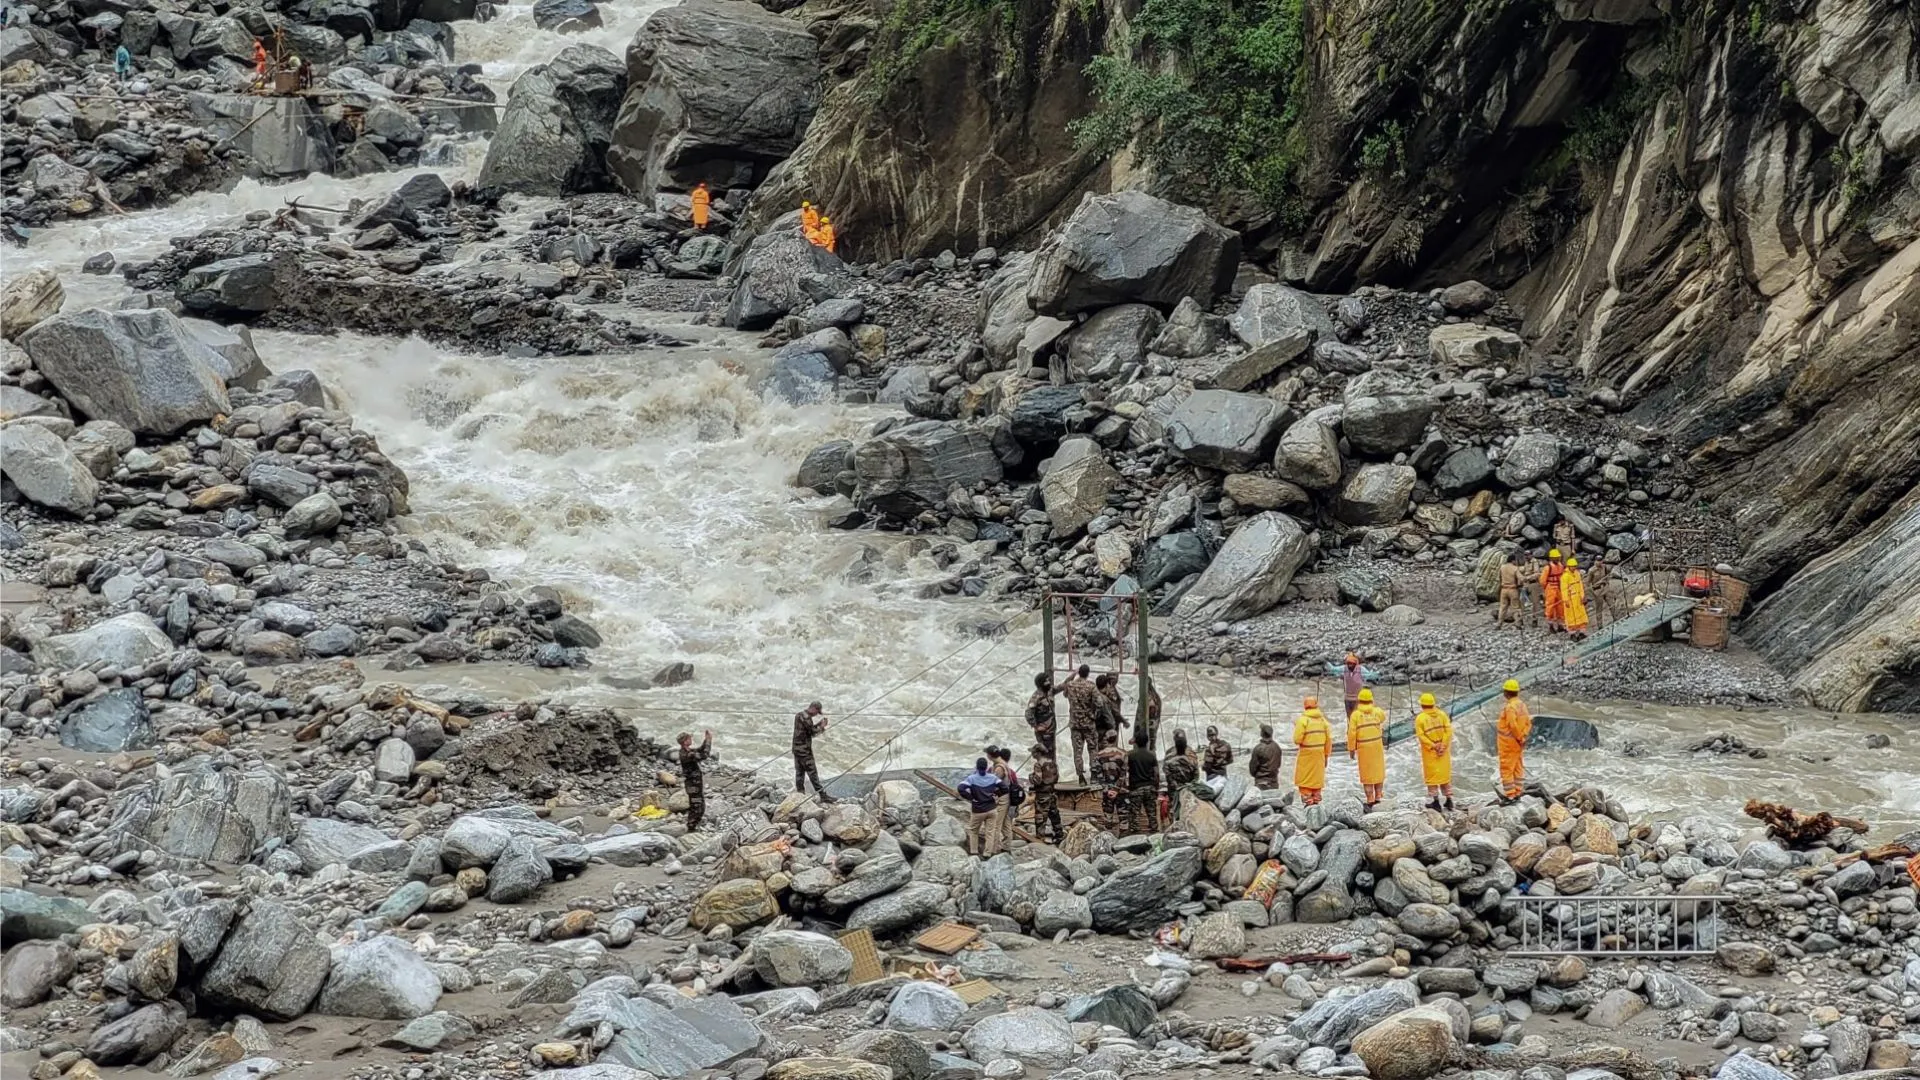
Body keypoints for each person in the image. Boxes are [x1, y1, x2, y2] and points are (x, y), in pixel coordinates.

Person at [1346, 688, 1387, 811]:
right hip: (1377, 746)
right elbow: (1383, 717)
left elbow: (1351, 734)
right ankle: (1379, 797)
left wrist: (1351, 749)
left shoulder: (1355, 715)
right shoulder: (1377, 712)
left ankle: (1370, 800)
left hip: (1364, 748)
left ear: (1359, 701)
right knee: (1378, 772)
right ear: (1371, 700)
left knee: (1367, 774)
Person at [1414, 692, 1454, 811]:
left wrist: (1433, 746)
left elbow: (1421, 736)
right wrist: (1443, 745)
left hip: (1430, 752)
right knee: (1444, 776)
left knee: (1432, 778)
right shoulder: (1442, 715)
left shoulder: (1420, 718)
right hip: (1443, 751)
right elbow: (1448, 730)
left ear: (1422, 705)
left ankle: (1436, 802)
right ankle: (1449, 800)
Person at [957, 757, 1005, 856]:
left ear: (977, 767)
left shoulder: (972, 778)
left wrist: (971, 798)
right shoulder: (993, 778)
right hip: (991, 809)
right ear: (986, 767)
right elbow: (1005, 788)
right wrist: (996, 794)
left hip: (978, 810)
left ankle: (974, 851)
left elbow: (960, 788)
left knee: (974, 831)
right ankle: (987, 853)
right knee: (990, 832)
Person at [1061, 664, 1100, 784]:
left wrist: (1072, 675)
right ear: (1088, 673)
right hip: (1089, 723)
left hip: (1075, 724)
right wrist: (1094, 713)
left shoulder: (1071, 685)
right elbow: (1099, 703)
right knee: (1093, 749)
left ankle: (1081, 777)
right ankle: (1093, 775)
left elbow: (1064, 692)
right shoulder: (1091, 686)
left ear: (1079, 673)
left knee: (1077, 751)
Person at [1496, 679, 1533, 802]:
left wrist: (1518, 737)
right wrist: (1523, 737)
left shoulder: (1510, 708)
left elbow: (1512, 725)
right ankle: (1518, 791)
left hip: (1508, 744)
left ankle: (1510, 795)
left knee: (1506, 768)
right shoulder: (1521, 705)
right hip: (1518, 743)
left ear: (1506, 692)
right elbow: (1528, 722)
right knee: (1518, 767)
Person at [1292, 696, 1332, 806]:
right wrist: (1326, 756)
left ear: (1305, 706)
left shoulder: (1302, 720)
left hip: (1306, 753)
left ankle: (1308, 802)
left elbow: (1297, 740)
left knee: (1304, 779)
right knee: (1317, 778)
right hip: (1320, 753)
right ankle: (1316, 801)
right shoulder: (1323, 721)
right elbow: (1329, 740)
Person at [791, 701, 832, 799]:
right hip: (805, 751)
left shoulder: (799, 715)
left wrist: (818, 724)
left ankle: (800, 794)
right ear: (814, 708)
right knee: (812, 773)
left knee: (799, 773)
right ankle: (823, 795)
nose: (816, 714)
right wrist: (822, 726)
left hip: (796, 749)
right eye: (817, 712)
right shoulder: (807, 718)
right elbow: (813, 733)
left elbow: (808, 729)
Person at [1124, 730, 1159, 834]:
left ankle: (1135, 835)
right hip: (1150, 787)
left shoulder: (1130, 755)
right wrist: (1156, 787)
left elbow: (1125, 771)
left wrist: (1126, 786)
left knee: (1134, 814)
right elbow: (1156, 773)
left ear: (1136, 742)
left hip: (1135, 788)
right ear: (1147, 741)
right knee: (1152, 813)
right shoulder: (1152, 755)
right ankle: (1154, 832)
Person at [676, 730, 712, 830]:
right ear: (684, 741)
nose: (691, 739)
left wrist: (706, 740)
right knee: (697, 806)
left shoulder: (688, 751)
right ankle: (691, 826)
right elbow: (704, 755)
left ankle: (693, 825)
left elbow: (700, 749)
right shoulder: (687, 754)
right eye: (689, 738)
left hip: (694, 783)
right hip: (693, 784)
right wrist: (709, 741)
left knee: (698, 805)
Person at [988, 745, 1019, 851]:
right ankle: (1006, 847)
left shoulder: (999, 768)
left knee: (996, 824)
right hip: (1007, 798)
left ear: (989, 755)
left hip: (1001, 799)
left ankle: (993, 850)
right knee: (1005, 824)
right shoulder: (1004, 765)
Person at [1029, 741, 1061, 842]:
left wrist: (1030, 777)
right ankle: (1059, 834)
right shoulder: (1052, 763)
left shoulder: (1038, 765)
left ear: (1038, 753)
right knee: (1054, 814)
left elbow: (1037, 780)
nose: (1032, 754)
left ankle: (1040, 836)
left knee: (1040, 816)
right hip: (1052, 792)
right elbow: (1056, 777)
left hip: (1042, 794)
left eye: (1033, 752)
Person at [1025, 671, 1062, 758]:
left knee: (1051, 753)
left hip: (1051, 730)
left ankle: (1051, 770)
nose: (1049, 683)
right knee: (1045, 755)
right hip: (1043, 732)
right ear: (1041, 684)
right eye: (1046, 681)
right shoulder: (1036, 697)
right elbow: (1028, 713)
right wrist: (1036, 726)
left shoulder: (1049, 691)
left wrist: (1074, 675)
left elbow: (1062, 686)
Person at [1094, 728, 1128, 820]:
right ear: (1116, 738)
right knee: (1123, 818)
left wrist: (1108, 789)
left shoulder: (1099, 755)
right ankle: (1123, 833)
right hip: (1121, 791)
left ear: (1106, 739)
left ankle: (1108, 832)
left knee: (1107, 817)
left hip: (1107, 791)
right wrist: (1116, 789)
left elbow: (1098, 775)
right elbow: (1124, 774)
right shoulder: (1123, 754)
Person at [1163, 728, 1199, 792]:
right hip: (1188, 788)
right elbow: (1196, 775)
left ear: (1174, 739)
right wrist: (1190, 785)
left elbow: (1167, 773)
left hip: (1175, 789)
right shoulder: (1191, 752)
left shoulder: (1169, 753)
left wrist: (1174, 784)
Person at [1248, 723, 1283, 789]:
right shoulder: (1277, 747)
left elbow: (1252, 769)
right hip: (1274, 782)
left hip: (1261, 782)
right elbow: (1278, 764)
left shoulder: (1258, 748)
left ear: (1261, 734)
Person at [1562, 557, 1589, 640]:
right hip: (1570, 600)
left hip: (1578, 598)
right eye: (1572, 566)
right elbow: (1564, 589)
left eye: (1575, 566)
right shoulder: (1565, 576)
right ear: (1569, 566)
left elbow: (1580, 585)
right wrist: (1566, 600)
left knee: (1581, 616)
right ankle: (1572, 634)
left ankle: (1582, 632)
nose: (1574, 567)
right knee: (1571, 617)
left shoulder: (1577, 574)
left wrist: (1582, 596)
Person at [1497, 551, 1527, 627]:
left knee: (1503, 607)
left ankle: (1499, 623)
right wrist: (1526, 578)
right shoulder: (1515, 568)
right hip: (1513, 589)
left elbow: (1499, 578)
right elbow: (1521, 578)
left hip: (1503, 589)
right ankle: (1518, 624)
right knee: (1515, 607)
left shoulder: (1502, 567)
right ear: (1513, 560)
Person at [1094, 672, 1123, 742]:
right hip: (1107, 726)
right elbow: (1113, 709)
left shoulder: (1096, 692)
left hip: (1101, 726)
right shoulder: (1110, 691)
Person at [1541, 550, 1566, 633]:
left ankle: (1560, 625)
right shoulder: (1548, 567)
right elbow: (1542, 581)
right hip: (1550, 588)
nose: (1558, 558)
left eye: (1558, 557)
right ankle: (1550, 625)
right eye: (1556, 557)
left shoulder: (1561, 566)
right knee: (1550, 607)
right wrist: (1546, 589)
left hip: (1559, 588)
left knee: (1560, 607)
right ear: (1552, 558)